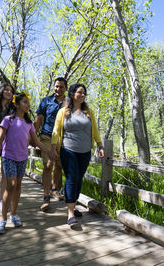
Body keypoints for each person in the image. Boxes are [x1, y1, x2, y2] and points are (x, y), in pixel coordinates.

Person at [0, 91, 56, 235]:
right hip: (8, 157)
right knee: (11, 185)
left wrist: (48, 152)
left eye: (28, 102)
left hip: (22, 158)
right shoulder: (8, 120)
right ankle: (2, 219)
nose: (28, 105)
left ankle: (13, 215)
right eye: (25, 102)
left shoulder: (28, 123)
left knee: (18, 186)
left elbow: (37, 141)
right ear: (16, 104)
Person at [51, 83, 105, 228]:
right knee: (71, 177)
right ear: (73, 94)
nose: (83, 95)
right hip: (68, 150)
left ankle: (73, 205)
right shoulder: (63, 112)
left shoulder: (88, 112)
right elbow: (56, 131)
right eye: (80, 92)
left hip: (85, 151)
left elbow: (95, 129)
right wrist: (53, 148)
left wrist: (100, 145)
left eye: (84, 93)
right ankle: (70, 213)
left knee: (79, 179)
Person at [34, 77, 67, 211]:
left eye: (61, 87)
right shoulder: (46, 101)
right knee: (48, 165)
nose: (58, 89)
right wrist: (33, 137)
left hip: (63, 138)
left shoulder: (68, 102)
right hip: (47, 136)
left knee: (59, 165)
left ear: (65, 88)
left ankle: (54, 189)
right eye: (56, 86)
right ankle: (46, 197)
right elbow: (38, 120)